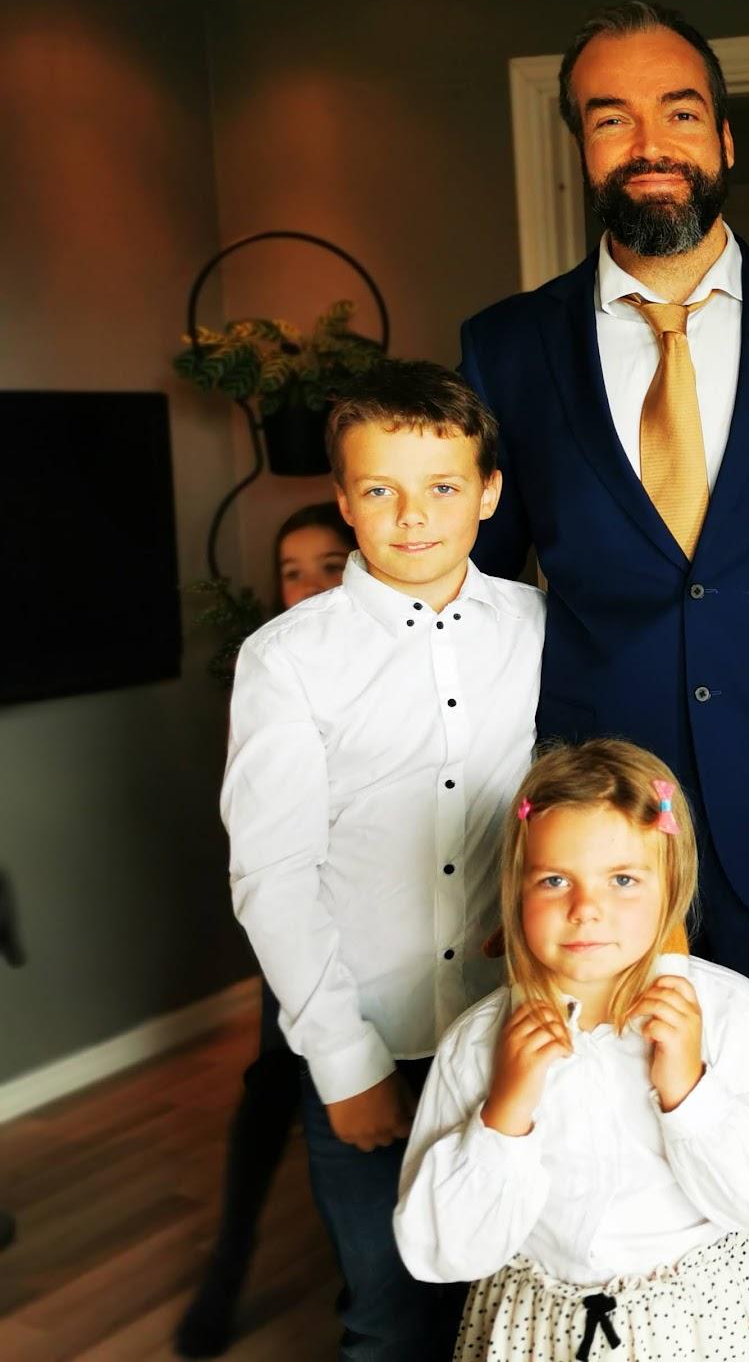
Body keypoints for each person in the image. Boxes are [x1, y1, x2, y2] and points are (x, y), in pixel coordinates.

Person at [459, 1, 749, 1361]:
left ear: (723, 134)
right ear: (580, 147)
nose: (647, 140)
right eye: (611, 117)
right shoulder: (506, 348)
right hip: (600, 866)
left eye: (675, 111)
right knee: (605, 1169)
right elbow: (480, 613)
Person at [222, 361, 547, 1360]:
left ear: (488, 492)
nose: (412, 517)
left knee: (514, 1307)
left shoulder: (540, 629)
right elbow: (272, 876)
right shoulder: (287, 658)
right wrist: (344, 1062)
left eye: (442, 486)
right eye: (379, 489)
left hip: (512, 1031)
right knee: (387, 1315)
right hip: (368, 1037)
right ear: (343, 498)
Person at [395, 738, 749, 1362]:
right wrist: (506, 1112)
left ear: (669, 885)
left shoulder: (725, 1011)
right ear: (517, 890)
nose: (586, 910)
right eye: (554, 880)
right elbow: (440, 1252)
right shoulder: (476, 1043)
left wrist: (689, 1089)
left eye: (622, 880)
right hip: (541, 1332)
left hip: (714, 1325)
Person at [178, 502, 358, 1357]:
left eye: (330, 565)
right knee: (275, 1080)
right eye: (292, 571)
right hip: (298, 923)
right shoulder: (273, 668)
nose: (310, 585)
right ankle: (229, 1262)